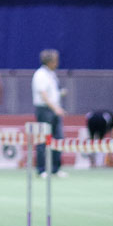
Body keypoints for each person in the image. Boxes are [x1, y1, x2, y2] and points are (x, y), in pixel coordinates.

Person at [32, 48, 66, 178]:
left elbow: (51, 92)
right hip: (45, 110)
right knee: (43, 139)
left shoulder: (52, 74)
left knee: (58, 138)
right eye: (55, 61)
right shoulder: (40, 74)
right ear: (49, 61)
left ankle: (55, 168)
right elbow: (43, 94)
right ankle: (42, 169)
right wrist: (55, 108)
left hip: (54, 109)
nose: (57, 63)